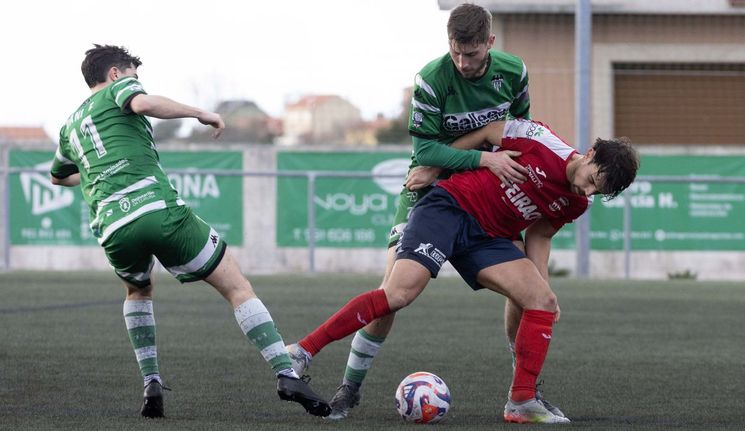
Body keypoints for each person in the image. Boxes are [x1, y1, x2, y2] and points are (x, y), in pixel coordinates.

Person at [288, 118, 639, 423]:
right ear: (590, 154)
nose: (587, 191)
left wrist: (540, 285)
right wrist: (438, 167)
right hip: (449, 208)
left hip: (486, 239)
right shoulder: (540, 139)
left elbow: (540, 236)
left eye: (598, 191)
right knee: (399, 294)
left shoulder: (576, 201)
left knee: (542, 301)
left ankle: (521, 401)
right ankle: (302, 352)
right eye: (592, 180)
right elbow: (487, 130)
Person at [49, 44, 330, 419]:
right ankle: (286, 373)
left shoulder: (70, 126)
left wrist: (97, 172)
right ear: (115, 74)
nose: (138, 83)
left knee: (138, 289)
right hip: (154, 209)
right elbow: (143, 105)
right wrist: (203, 113)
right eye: (133, 75)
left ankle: (151, 381)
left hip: (112, 226)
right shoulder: (119, 91)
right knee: (236, 285)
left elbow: (58, 176)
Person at [287, 2, 538, 420]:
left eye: (472, 54)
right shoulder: (432, 78)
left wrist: (492, 162)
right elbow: (423, 154)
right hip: (427, 194)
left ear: (490, 43)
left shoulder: (514, 72)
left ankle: (526, 386)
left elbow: (519, 132)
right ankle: (349, 388)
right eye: (455, 51)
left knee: (529, 290)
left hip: (483, 197)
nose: (462, 62)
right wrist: (481, 155)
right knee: (392, 294)